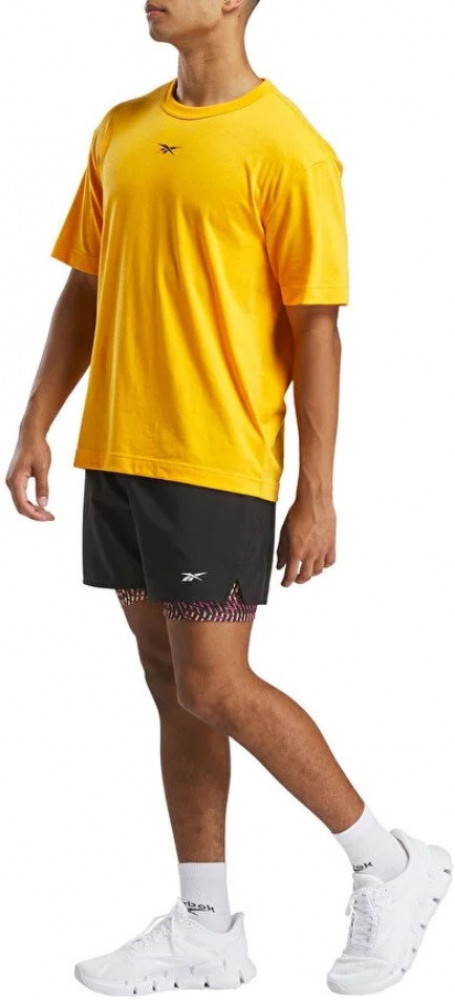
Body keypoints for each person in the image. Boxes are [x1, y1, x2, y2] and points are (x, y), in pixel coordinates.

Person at [5, 0, 452, 995]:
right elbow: (86, 285)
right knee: (169, 677)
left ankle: (390, 863)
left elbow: (317, 327)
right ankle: (205, 926)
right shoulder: (121, 129)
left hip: (215, 464)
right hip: (118, 455)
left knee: (213, 681)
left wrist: (317, 491)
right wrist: (37, 419)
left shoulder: (288, 146)